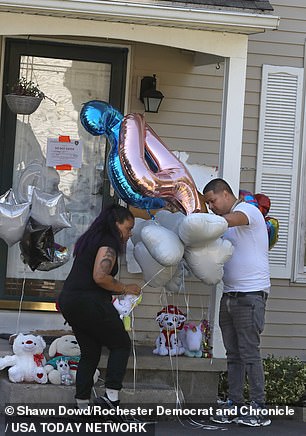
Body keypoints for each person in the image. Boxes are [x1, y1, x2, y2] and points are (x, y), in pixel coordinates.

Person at [58, 204, 141, 412]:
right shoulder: (109, 242)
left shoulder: (92, 240)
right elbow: (100, 277)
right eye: (128, 228)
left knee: (90, 352)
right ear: (116, 224)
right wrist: (125, 288)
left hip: (70, 300)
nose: (129, 234)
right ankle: (111, 399)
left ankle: (82, 405)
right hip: (89, 301)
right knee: (121, 344)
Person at [202, 178, 271, 427]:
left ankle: (259, 407)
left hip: (251, 296)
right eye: (207, 203)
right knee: (233, 355)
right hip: (230, 295)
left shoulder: (247, 212)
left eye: (213, 201)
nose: (211, 207)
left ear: (226, 194)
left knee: (250, 353)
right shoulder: (226, 223)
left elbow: (230, 220)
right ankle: (234, 402)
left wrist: (204, 220)